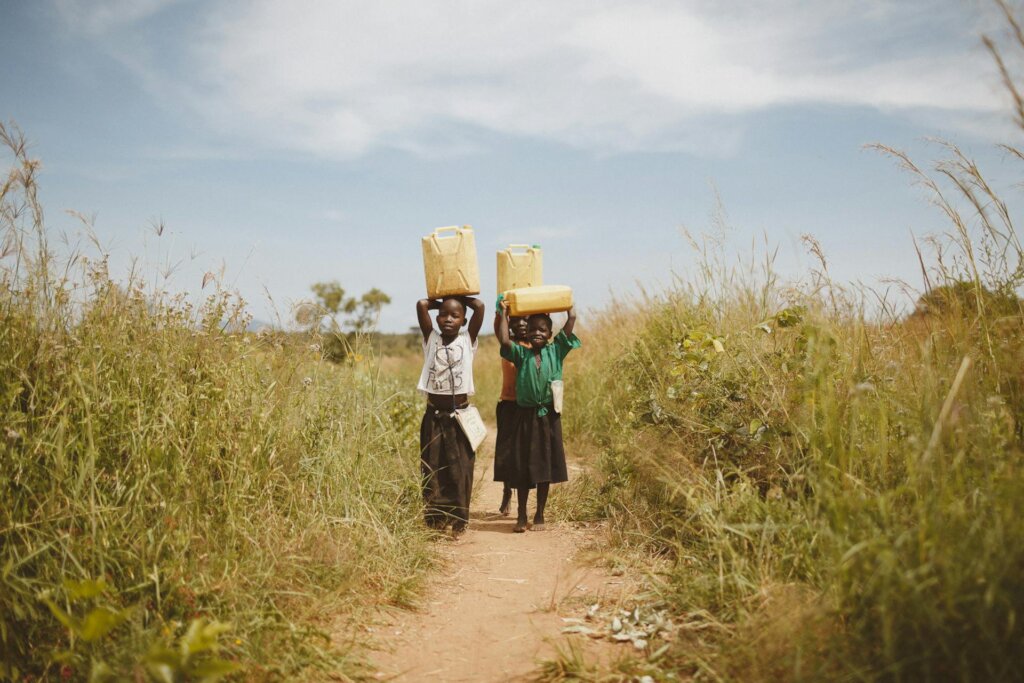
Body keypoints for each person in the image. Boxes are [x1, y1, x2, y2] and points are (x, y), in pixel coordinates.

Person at [497, 304, 580, 532]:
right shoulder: (521, 353)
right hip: (525, 417)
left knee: (545, 466)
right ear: (526, 332)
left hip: (549, 417)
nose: (537, 333)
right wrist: (503, 316)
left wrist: (570, 312)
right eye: (533, 329)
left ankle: (540, 513)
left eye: (543, 329)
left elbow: (569, 326)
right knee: (523, 467)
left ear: (550, 334)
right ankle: (522, 515)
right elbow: (504, 341)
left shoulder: (557, 350)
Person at [416, 295, 485, 537]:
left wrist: (456, 295)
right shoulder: (431, 339)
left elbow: (479, 306)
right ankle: (435, 518)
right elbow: (421, 305)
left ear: (464, 320)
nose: (448, 319)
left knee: (461, 468)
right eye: (443, 314)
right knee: (432, 467)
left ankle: (459, 519)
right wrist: (443, 298)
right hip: (433, 415)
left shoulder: (468, 340)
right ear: (437, 318)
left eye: (455, 315)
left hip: (460, 416)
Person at [493, 304, 530, 516]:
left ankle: (522, 502)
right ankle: (507, 491)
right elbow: (499, 328)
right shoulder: (507, 346)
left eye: (526, 319)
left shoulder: (536, 343)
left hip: (527, 406)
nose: (522, 324)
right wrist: (501, 312)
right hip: (508, 404)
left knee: (524, 453)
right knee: (507, 452)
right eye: (517, 321)